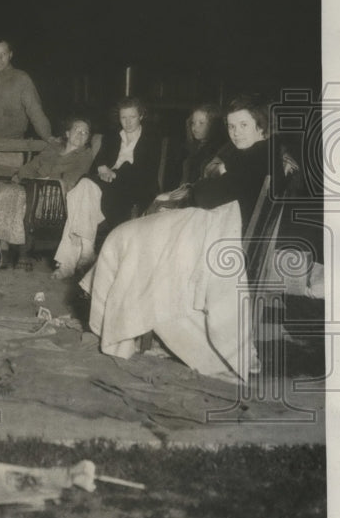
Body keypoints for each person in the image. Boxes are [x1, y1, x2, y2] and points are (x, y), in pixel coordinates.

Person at [82, 95, 282, 380]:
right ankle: (123, 321)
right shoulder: (253, 153)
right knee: (135, 235)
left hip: (217, 231)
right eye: (231, 126)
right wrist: (216, 174)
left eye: (244, 125)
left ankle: (119, 324)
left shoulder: (256, 154)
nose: (236, 132)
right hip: (214, 226)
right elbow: (209, 187)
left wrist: (215, 176)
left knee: (131, 237)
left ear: (261, 128)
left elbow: (206, 194)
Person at [0, 116, 95, 263]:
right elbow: (28, 168)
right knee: (9, 195)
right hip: (31, 190)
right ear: (67, 133)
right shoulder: (52, 149)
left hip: (52, 199)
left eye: (85, 133)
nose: (80, 134)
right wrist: (26, 177)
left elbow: (71, 179)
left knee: (9, 194)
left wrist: (41, 177)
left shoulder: (84, 156)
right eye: (77, 130)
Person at [51, 97, 161, 278]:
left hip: (135, 186)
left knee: (80, 193)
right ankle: (86, 251)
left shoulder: (151, 137)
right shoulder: (113, 135)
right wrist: (102, 167)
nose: (127, 122)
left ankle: (67, 263)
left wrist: (116, 173)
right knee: (83, 188)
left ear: (141, 116)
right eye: (123, 117)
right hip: (108, 183)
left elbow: (147, 171)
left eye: (132, 117)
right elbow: (99, 161)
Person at [174, 102, 225, 187]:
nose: (195, 127)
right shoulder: (194, 147)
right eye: (193, 123)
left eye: (201, 123)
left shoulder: (214, 150)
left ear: (214, 125)